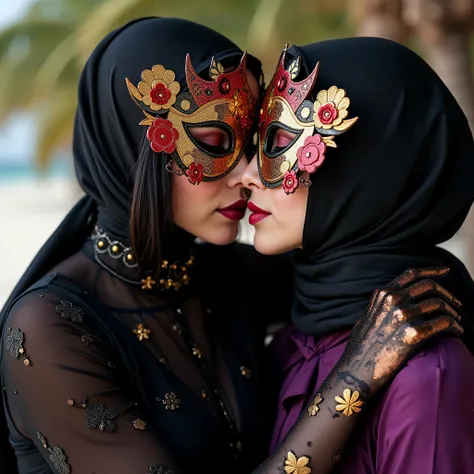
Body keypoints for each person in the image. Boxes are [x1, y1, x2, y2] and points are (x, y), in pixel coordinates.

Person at [0, 18, 462, 474]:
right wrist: (353, 382)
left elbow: (362, 235)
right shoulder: (49, 329)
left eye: (257, 144)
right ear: (134, 146)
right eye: (215, 142)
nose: (247, 173)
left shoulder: (237, 278)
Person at [243, 37, 474, 473]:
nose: (250, 175)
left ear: (365, 168)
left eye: (282, 143)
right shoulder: (293, 343)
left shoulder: (426, 376)